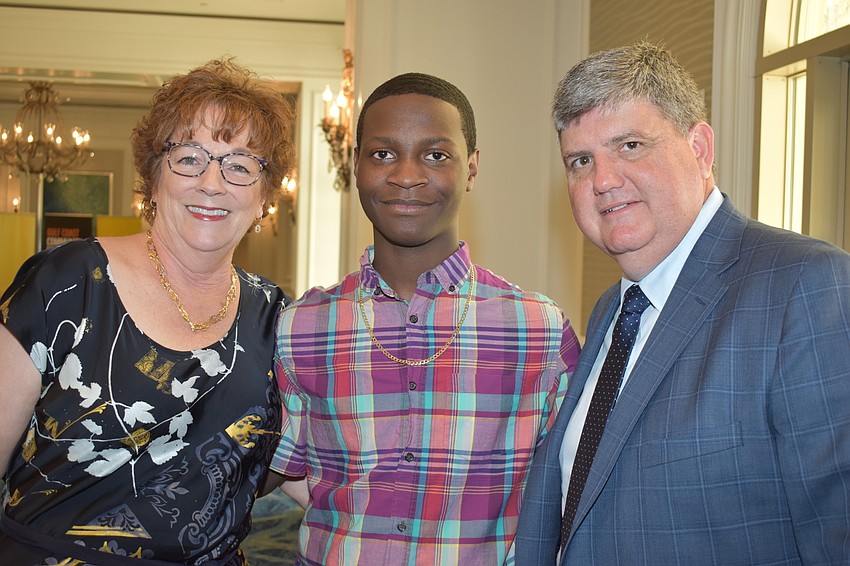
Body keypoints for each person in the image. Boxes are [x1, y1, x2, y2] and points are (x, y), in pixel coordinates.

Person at [514, 40, 850, 565]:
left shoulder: (804, 285)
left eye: (629, 145)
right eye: (581, 161)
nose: (603, 180)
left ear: (699, 148)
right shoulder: (612, 311)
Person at [268, 72, 581, 565]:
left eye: (435, 155)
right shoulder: (302, 326)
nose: (407, 175)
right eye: (383, 153)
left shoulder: (537, 330)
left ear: (472, 168)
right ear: (355, 165)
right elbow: (279, 469)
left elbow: (575, 491)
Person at [0, 58, 294, 565]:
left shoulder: (277, 318)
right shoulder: (65, 282)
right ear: (154, 176)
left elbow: (295, 468)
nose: (212, 182)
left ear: (265, 196)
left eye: (240, 165)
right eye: (189, 158)